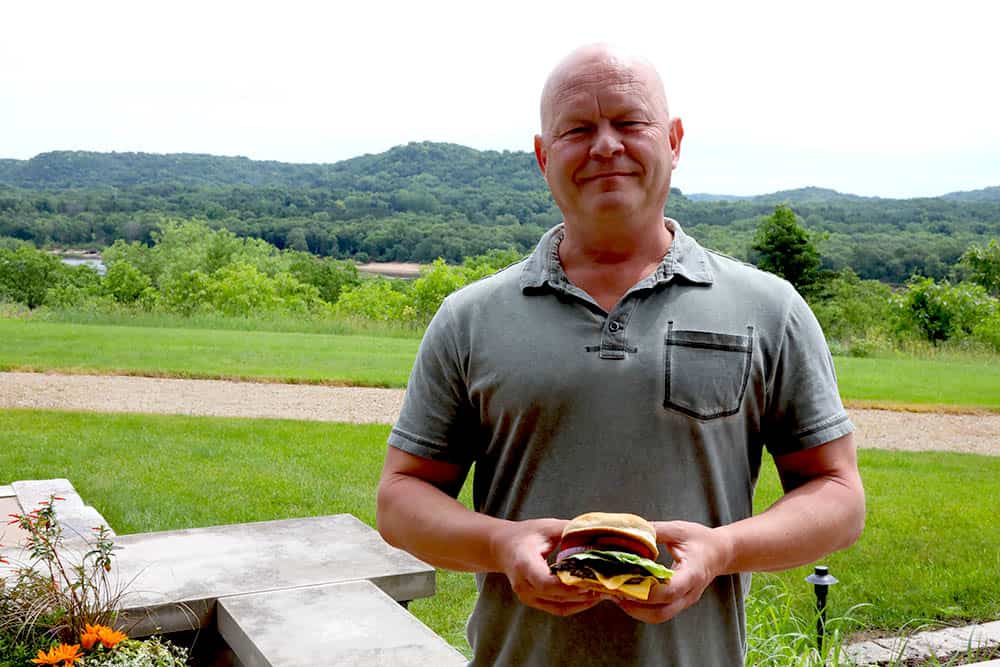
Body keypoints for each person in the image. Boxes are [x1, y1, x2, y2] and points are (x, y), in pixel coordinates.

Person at [376, 43, 865, 666]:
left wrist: (721, 551)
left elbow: (838, 493)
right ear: (543, 155)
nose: (606, 145)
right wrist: (502, 544)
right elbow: (400, 498)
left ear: (675, 140)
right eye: (578, 129)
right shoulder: (471, 318)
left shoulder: (770, 309)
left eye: (630, 122)